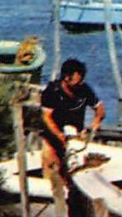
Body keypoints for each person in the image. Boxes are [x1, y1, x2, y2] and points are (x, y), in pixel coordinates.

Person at [40, 58, 105, 191]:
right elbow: (46, 117)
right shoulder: (53, 91)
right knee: (50, 160)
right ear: (67, 78)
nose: (80, 83)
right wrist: (58, 135)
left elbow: (99, 109)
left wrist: (94, 126)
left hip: (76, 135)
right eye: (77, 80)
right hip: (53, 134)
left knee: (78, 166)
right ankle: (52, 190)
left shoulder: (84, 89)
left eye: (81, 80)